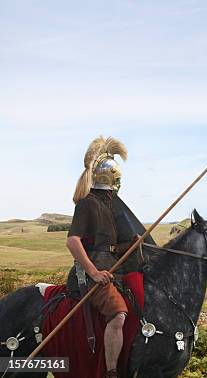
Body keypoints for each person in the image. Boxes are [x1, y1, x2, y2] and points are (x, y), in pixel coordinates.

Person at [66, 136, 133, 378]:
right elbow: (73, 242)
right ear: (112, 180)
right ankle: (111, 372)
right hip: (91, 275)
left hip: (112, 270)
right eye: (118, 179)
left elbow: (108, 246)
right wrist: (93, 272)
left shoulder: (108, 206)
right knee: (118, 314)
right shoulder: (88, 204)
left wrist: (133, 244)